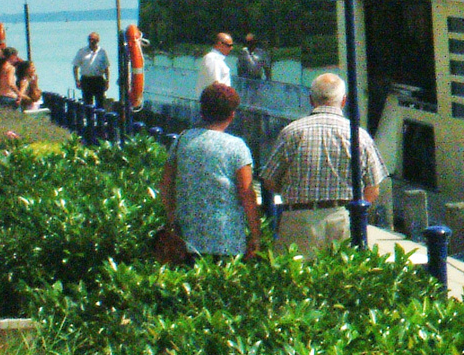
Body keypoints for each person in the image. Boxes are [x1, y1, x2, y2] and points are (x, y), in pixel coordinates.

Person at [263, 72, 386, 259]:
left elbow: (269, 180)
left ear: (311, 100)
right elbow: (373, 188)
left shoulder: (291, 133)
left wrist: (292, 192)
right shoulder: (358, 136)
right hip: (342, 218)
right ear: (343, 101)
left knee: (295, 282)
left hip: (298, 219)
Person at [159, 83, 262, 260]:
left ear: (202, 111)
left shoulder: (182, 140)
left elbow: (165, 185)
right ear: (231, 115)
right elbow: (246, 193)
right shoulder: (237, 146)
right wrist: (255, 234)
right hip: (226, 240)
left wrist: (171, 219)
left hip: (186, 238)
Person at [72, 32, 111, 108]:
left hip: (98, 79)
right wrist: (76, 80)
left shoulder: (102, 52)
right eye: (90, 39)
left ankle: (100, 119)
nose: (91, 41)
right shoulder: (82, 51)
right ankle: (89, 119)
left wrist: (107, 81)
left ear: (97, 40)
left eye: (93, 39)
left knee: (100, 102)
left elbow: (106, 68)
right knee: (87, 103)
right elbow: (75, 67)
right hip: (86, 80)